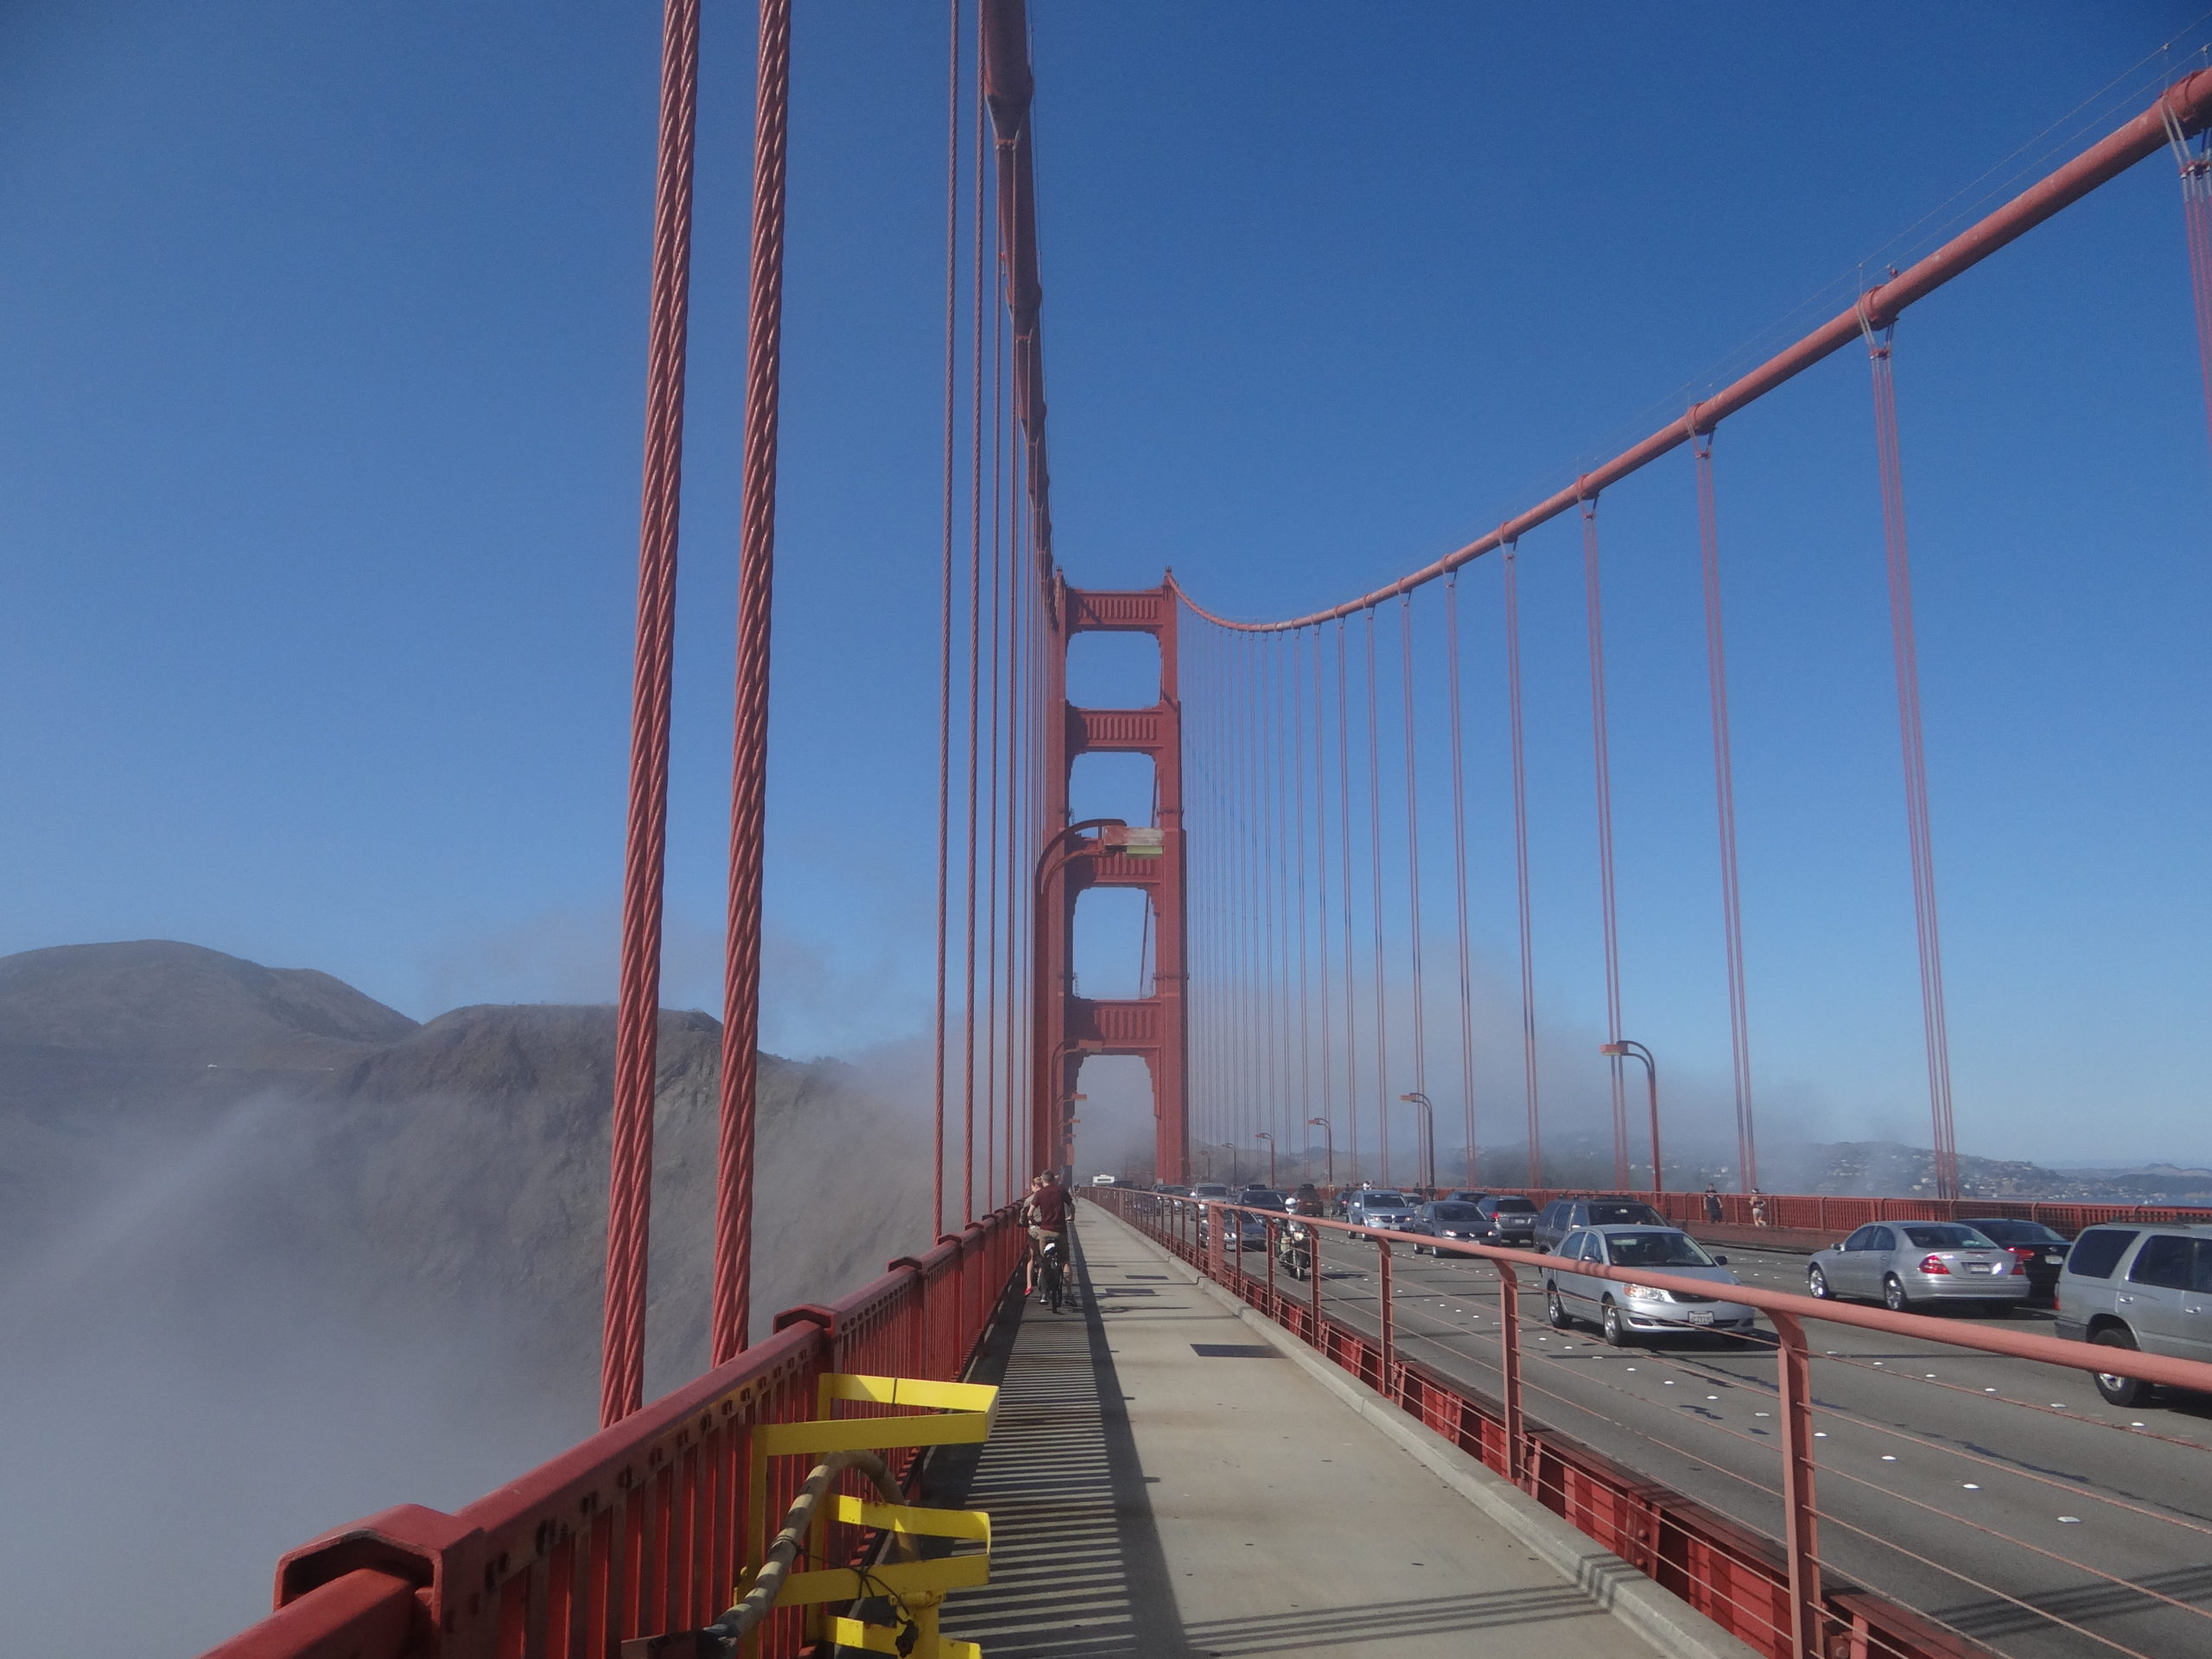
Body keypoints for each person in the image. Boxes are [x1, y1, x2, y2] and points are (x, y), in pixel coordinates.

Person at [1020, 1172, 1072, 1302]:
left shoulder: (1039, 1194)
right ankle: (1070, 1294)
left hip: (1045, 1231)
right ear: (1053, 1180)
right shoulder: (1061, 1191)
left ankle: (1044, 1295)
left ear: (1043, 1181)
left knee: (1044, 1263)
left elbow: (1030, 1213)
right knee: (1065, 1261)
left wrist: (1033, 1221)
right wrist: (1071, 1217)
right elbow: (1072, 1206)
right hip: (1060, 1231)